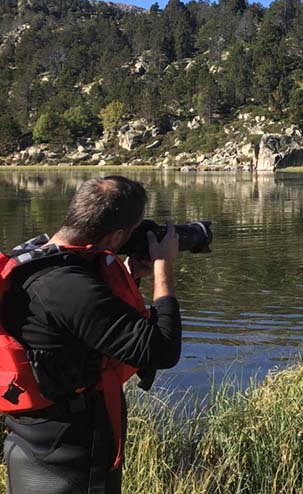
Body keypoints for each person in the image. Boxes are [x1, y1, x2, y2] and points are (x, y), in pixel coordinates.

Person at [0, 175, 182, 494]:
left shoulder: (33, 259)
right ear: (114, 237)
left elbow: (75, 324)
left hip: (29, 441)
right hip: (71, 455)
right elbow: (162, 350)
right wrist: (162, 270)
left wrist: (128, 277)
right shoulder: (70, 286)